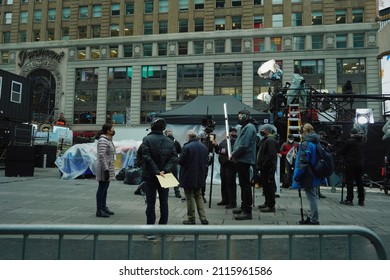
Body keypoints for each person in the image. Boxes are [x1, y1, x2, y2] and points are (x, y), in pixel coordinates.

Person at [141, 118, 178, 235]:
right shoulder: (170, 141)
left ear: (152, 126)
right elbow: (174, 158)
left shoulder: (147, 139)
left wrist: (157, 171)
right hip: (165, 175)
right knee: (164, 202)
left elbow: (146, 157)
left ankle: (150, 230)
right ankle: (163, 229)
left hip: (150, 175)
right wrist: (164, 170)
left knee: (150, 203)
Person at [230, 110, 258, 220]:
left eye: (240, 116)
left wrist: (233, 154)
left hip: (244, 160)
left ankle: (247, 211)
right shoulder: (246, 127)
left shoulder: (249, 127)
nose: (239, 118)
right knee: (243, 185)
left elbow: (243, 144)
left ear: (246, 116)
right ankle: (243, 207)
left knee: (245, 185)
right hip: (242, 159)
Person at [292, 123, 322, 225]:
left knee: (312, 197)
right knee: (314, 196)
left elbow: (302, 163)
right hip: (316, 172)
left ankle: (314, 219)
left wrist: (297, 176)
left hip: (308, 174)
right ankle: (313, 216)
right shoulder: (317, 142)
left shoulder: (306, 144)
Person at [178, 129, 209, 225]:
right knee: (199, 196)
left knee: (189, 197)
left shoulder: (187, 147)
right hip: (200, 175)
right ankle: (203, 218)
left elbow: (181, 161)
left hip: (189, 175)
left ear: (188, 137)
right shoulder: (204, 147)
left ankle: (191, 219)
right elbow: (206, 161)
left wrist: (177, 157)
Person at [338, 128, 365, 206]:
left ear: (350, 134)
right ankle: (361, 200)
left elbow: (342, 151)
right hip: (360, 164)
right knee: (359, 181)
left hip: (350, 164)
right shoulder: (362, 141)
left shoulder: (349, 141)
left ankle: (349, 199)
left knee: (349, 181)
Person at [95, 123, 116, 218]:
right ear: (108, 130)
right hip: (104, 168)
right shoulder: (103, 140)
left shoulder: (108, 140)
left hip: (108, 167)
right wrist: (106, 169)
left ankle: (103, 207)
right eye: (112, 128)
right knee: (102, 188)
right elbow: (102, 155)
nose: (114, 130)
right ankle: (99, 209)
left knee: (105, 188)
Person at [257, 124, 278, 213]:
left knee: (269, 186)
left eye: (263, 130)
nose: (262, 131)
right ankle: (267, 202)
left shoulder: (270, 140)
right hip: (264, 167)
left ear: (268, 131)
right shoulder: (265, 140)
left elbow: (271, 155)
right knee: (265, 186)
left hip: (268, 167)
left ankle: (271, 205)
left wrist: (265, 164)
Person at [216, 127, 238, 209]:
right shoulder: (224, 141)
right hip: (223, 165)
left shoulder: (235, 142)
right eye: (232, 132)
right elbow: (219, 150)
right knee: (224, 183)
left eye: (234, 132)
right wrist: (215, 145)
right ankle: (225, 199)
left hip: (230, 165)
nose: (233, 134)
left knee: (230, 183)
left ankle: (232, 202)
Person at [164, 129, 182, 198]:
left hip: (173, 162)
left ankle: (177, 192)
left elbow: (180, 151)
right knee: (167, 177)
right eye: (167, 132)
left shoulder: (176, 142)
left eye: (170, 132)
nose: (169, 133)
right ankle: (166, 192)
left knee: (174, 177)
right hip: (166, 162)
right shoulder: (164, 142)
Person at [317, 131, 331, 198]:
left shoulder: (322, 144)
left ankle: (318, 192)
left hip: (322, 162)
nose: (324, 138)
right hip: (317, 162)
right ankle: (316, 192)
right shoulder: (317, 142)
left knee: (320, 178)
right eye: (323, 136)